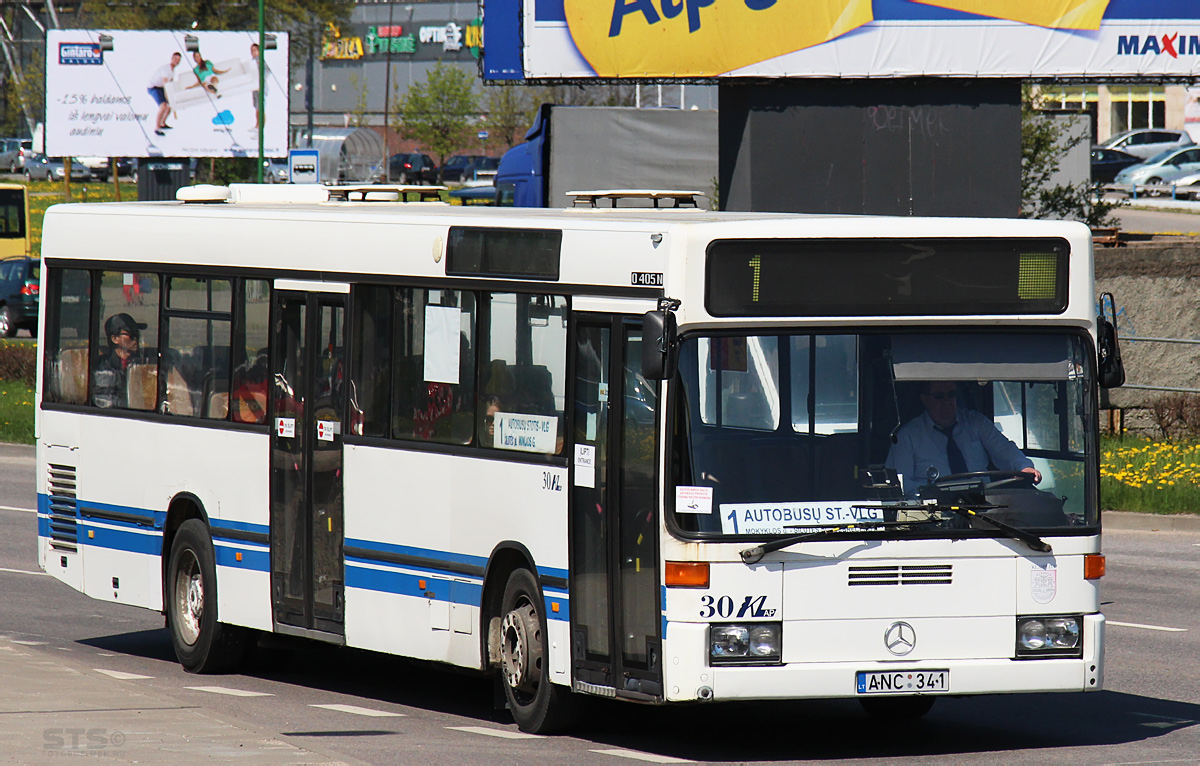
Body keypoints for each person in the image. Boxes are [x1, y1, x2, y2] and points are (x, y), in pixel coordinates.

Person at [886, 381, 1041, 496]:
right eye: (939, 396)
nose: (947, 401)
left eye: (952, 395)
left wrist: (1024, 467)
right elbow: (900, 485)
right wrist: (932, 497)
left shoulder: (976, 423)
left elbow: (1003, 449)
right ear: (925, 399)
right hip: (934, 515)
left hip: (984, 509)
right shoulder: (907, 437)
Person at [92, 313, 146, 408]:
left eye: (137, 334)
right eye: (131, 334)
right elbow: (104, 402)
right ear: (115, 339)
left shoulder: (142, 363)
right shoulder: (103, 368)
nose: (136, 339)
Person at [147, 52, 181, 137]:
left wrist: (172, 98)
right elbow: (166, 86)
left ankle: (163, 124)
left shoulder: (173, 71)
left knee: (169, 106)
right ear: (172, 58)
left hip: (161, 87)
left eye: (179, 60)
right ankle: (157, 128)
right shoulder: (167, 69)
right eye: (175, 58)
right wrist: (167, 97)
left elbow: (171, 84)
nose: (177, 61)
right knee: (163, 106)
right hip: (154, 87)